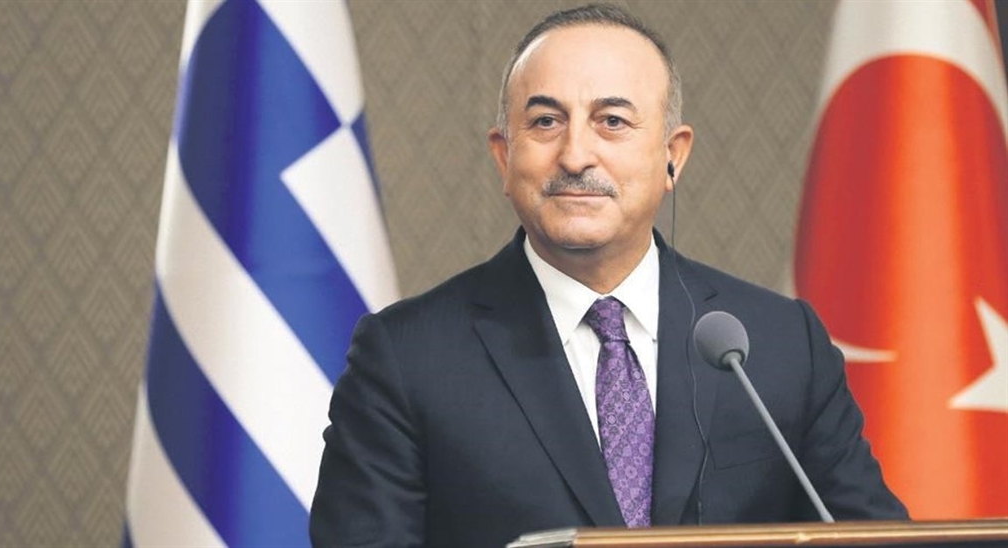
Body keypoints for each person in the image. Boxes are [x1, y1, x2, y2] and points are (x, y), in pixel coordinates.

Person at [310, 4, 907, 547]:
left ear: (673, 155)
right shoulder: (407, 357)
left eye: (612, 121)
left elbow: (873, 537)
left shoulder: (779, 345)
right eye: (546, 121)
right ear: (504, 156)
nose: (575, 155)